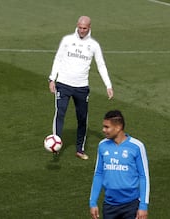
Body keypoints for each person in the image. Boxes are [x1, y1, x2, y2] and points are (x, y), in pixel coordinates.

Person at [48, 16, 114, 160]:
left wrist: (108, 85)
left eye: (85, 28)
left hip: (81, 87)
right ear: (77, 25)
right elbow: (58, 59)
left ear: (89, 27)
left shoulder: (94, 45)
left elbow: (101, 65)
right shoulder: (67, 40)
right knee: (60, 113)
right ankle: (56, 146)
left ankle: (80, 149)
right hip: (63, 84)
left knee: (82, 118)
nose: (82, 31)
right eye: (80, 27)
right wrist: (52, 78)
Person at [89, 110, 150, 219]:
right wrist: (93, 202)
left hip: (131, 205)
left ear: (118, 127)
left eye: (107, 127)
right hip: (109, 205)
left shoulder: (137, 146)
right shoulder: (102, 145)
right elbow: (98, 173)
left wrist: (143, 206)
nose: (103, 130)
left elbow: (143, 177)